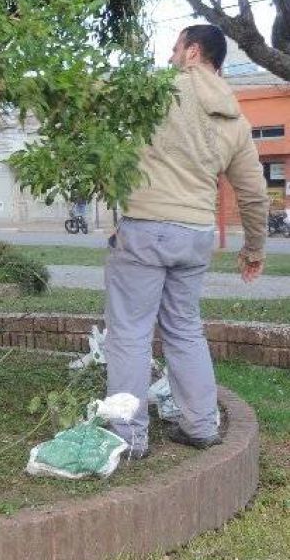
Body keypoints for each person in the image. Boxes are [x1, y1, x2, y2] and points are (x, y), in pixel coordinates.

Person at [104, 25, 268, 458]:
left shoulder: (156, 94)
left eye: (176, 48)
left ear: (193, 51)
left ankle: (127, 437)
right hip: (195, 234)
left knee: (129, 334)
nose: (171, 56)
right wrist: (254, 250)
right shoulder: (236, 117)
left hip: (146, 226)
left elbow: (105, 120)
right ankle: (200, 425)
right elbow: (252, 193)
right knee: (185, 331)